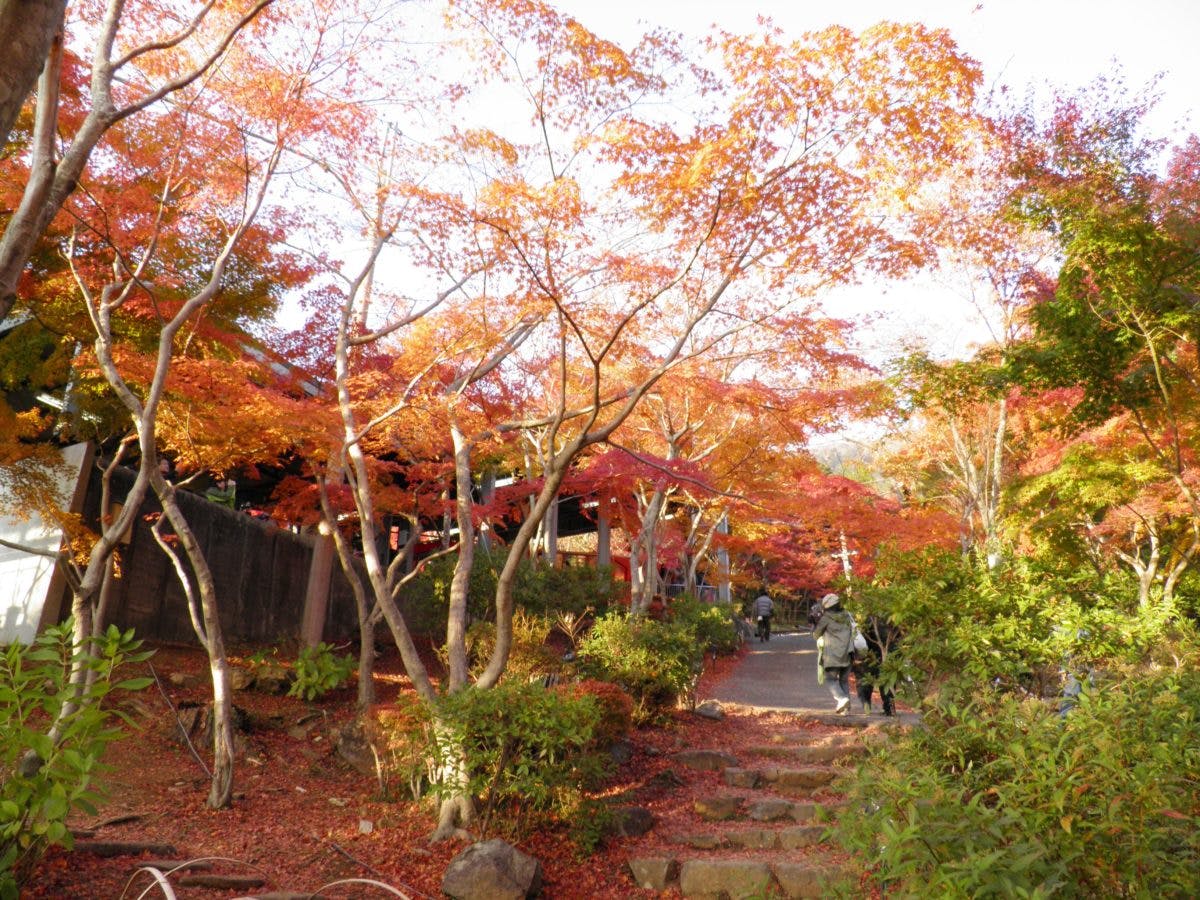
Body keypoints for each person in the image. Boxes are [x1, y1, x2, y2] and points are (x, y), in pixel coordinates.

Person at [812, 592, 854, 714]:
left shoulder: (826, 618)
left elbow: (816, 634)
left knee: (830, 679)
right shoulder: (847, 615)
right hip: (848, 652)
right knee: (844, 680)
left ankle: (842, 699)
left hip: (833, 655)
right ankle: (846, 709)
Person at [854, 615, 898, 716]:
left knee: (865, 677)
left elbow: (864, 639)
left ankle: (865, 702)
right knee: (888, 681)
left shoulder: (871, 618)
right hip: (890, 654)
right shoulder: (894, 619)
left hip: (873, 654)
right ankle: (890, 707)